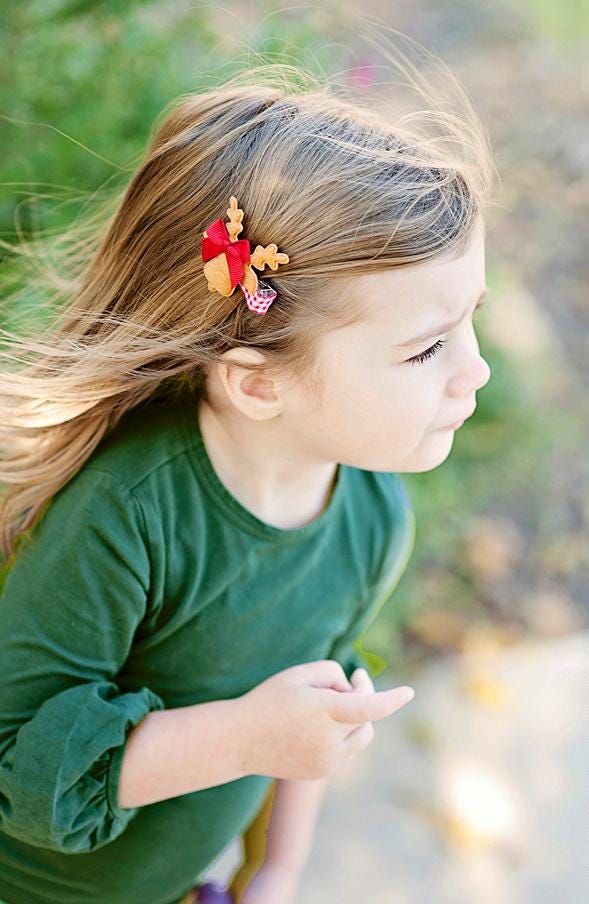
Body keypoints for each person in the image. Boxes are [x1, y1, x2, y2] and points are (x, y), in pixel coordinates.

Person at [0, 49, 494, 904]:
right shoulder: (129, 514)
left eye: (469, 323)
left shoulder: (372, 516)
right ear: (256, 381)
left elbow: (314, 715)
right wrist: (243, 737)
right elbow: (17, 764)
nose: (475, 373)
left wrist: (277, 869)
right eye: (426, 348)